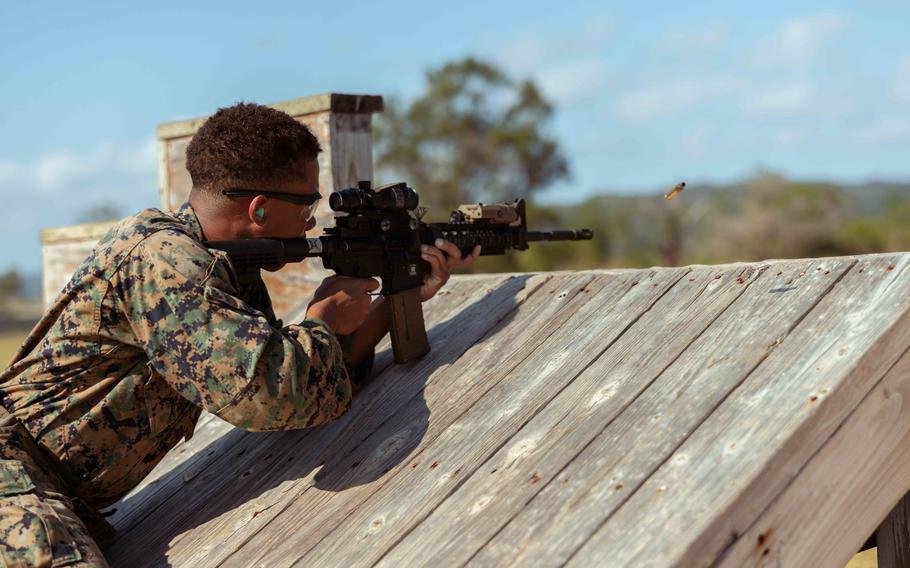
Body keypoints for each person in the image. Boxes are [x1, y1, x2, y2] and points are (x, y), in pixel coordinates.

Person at [0, 102, 479, 567]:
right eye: (309, 203)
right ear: (261, 210)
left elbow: (313, 381)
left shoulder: (224, 268)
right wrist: (322, 320)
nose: (312, 221)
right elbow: (268, 394)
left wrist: (399, 298)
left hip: (46, 487)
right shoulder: (163, 257)